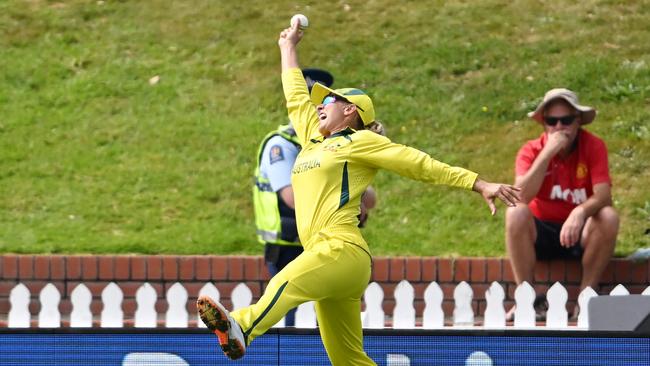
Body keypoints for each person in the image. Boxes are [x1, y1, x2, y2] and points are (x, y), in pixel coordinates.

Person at [197, 20, 520, 365]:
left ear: (350, 110)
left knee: (286, 280)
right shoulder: (312, 138)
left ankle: (242, 327)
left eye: (328, 102)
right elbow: (295, 95)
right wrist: (288, 47)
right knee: (348, 360)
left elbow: (419, 163)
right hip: (334, 261)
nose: (318, 105)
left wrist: (478, 182)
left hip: (340, 250)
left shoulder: (362, 141)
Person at [254, 69, 377, 327]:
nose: (317, 108)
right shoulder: (283, 144)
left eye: (322, 102)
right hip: (289, 244)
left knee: (329, 325)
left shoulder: (341, 142)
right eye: (311, 102)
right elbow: (291, 197)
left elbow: (370, 198)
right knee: (290, 320)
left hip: (329, 244)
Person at [505, 88, 618, 320]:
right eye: (551, 121)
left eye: (565, 120)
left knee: (608, 216)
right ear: (544, 124)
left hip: (580, 231)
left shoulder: (593, 146)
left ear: (578, 122)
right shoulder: (531, 151)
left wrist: (580, 211)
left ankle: (586, 299)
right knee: (515, 212)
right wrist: (546, 154)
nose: (559, 127)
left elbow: (604, 195)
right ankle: (526, 299)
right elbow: (521, 197)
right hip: (541, 231)